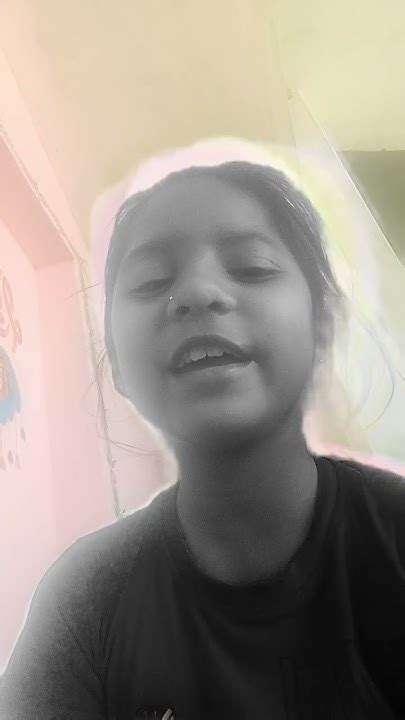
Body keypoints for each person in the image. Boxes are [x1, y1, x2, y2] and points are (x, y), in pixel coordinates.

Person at [1, 157, 405, 720]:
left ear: (321, 324)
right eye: (151, 282)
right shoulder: (83, 600)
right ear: (116, 362)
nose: (196, 292)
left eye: (252, 267)